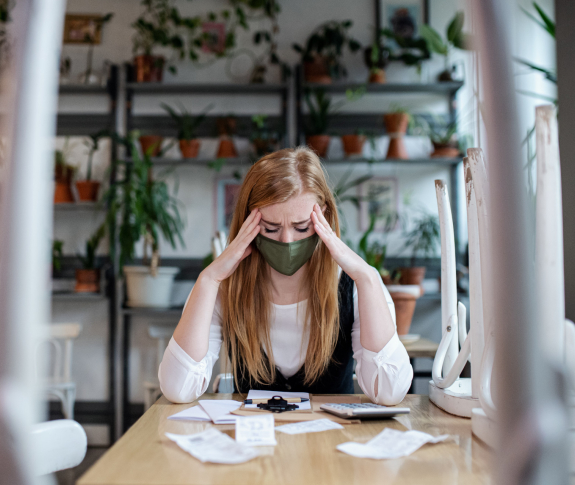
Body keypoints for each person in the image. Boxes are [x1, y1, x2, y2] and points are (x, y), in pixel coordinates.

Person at [159, 147, 413, 404]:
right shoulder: (223, 287)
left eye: (301, 227)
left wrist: (367, 278)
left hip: (331, 440)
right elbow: (177, 389)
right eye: (271, 228)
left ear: (322, 216)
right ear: (249, 222)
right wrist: (208, 279)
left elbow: (389, 392)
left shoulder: (356, 286)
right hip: (252, 439)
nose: (287, 241)